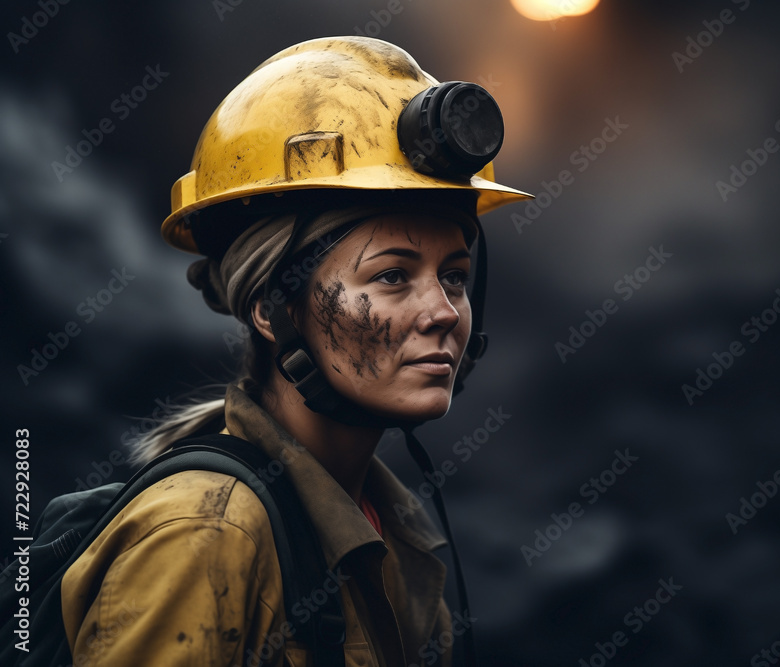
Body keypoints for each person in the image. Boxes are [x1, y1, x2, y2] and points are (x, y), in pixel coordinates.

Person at [58, 36, 532, 666]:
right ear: (270, 309)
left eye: (454, 276)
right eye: (392, 277)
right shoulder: (205, 534)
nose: (444, 312)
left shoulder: (389, 534)